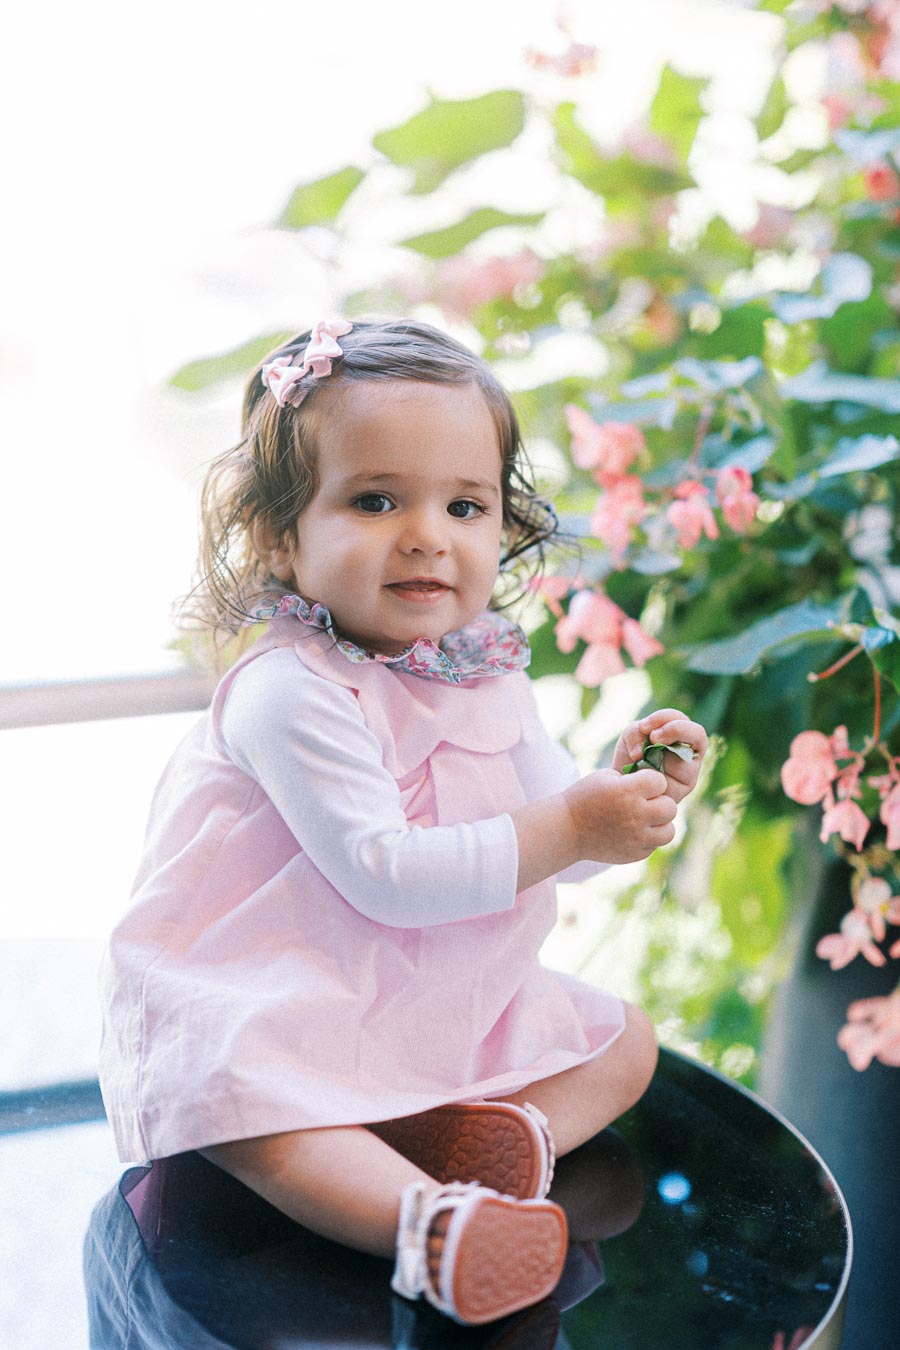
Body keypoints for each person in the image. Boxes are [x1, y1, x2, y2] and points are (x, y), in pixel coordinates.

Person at [99, 317, 707, 1326]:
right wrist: (571, 825)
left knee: (626, 1043)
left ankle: (498, 1138)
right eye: (376, 500)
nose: (428, 533)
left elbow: (553, 845)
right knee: (256, 1113)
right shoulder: (289, 692)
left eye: (464, 504)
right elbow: (385, 872)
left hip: (419, 992)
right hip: (279, 986)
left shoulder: (484, 668)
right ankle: (428, 1226)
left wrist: (617, 800)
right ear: (279, 537)